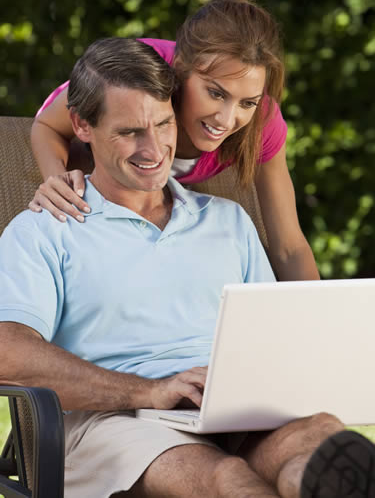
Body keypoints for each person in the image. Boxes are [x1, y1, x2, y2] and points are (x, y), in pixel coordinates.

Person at [1, 37, 374, 498]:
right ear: (81, 125)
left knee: (318, 444)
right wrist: (146, 391)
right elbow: (7, 352)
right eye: (129, 132)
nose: (154, 148)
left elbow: (273, 335)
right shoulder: (45, 229)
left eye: (163, 124)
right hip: (114, 421)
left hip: (228, 409)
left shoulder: (228, 220)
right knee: (224, 479)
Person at [29, 0, 320, 281]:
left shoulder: (263, 122)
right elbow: (49, 124)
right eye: (216, 93)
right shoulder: (137, 76)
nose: (227, 120)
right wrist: (56, 182)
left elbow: (289, 247)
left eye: (247, 103)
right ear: (179, 69)